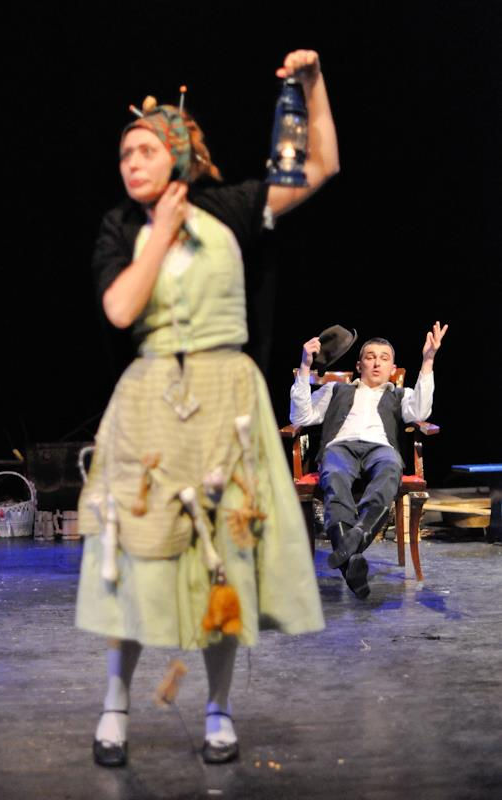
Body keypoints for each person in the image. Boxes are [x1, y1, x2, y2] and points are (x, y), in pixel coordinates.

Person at [76, 49, 340, 768]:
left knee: (226, 556)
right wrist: (159, 233)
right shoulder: (119, 228)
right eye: (124, 153)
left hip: (229, 403)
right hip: (151, 405)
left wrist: (311, 85)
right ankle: (115, 704)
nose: (131, 162)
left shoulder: (231, 209)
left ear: (179, 152)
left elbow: (319, 166)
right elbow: (120, 308)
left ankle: (219, 708)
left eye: (145, 149)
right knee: (138, 559)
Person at [290, 322, 448, 599]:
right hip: (340, 447)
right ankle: (353, 554)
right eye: (370, 357)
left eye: (384, 358)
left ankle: (354, 540)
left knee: (390, 469)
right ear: (359, 364)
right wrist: (305, 367)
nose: (376, 363)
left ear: (392, 368)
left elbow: (420, 413)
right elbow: (300, 417)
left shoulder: (400, 394)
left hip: (380, 448)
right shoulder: (334, 390)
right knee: (334, 475)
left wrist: (428, 360)